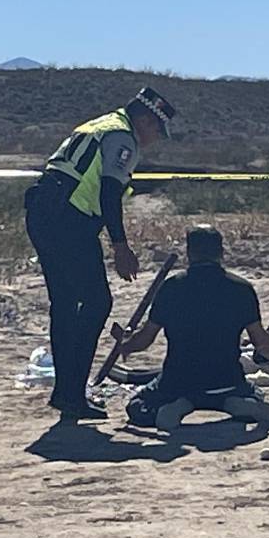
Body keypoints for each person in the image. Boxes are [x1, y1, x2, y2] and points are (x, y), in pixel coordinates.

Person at [25, 87, 177, 421]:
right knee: (96, 303)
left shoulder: (102, 125)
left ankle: (67, 394)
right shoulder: (123, 138)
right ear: (144, 119)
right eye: (155, 129)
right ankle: (71, 391)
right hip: (69, 220)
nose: (155, 138)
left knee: (65, 306)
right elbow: (109, 193)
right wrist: (120, 246)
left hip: (43, 212)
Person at [118, 225, 269, 432]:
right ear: (221, 252)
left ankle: (179, 405)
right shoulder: (241, 288)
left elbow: (146, 338)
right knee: (253, 394)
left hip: (178, 381)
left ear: (189, 253)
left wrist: (125, 346)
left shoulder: (172, 287)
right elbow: (259, 339)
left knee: (136, 407)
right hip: (227, 379)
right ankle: (234, 404)